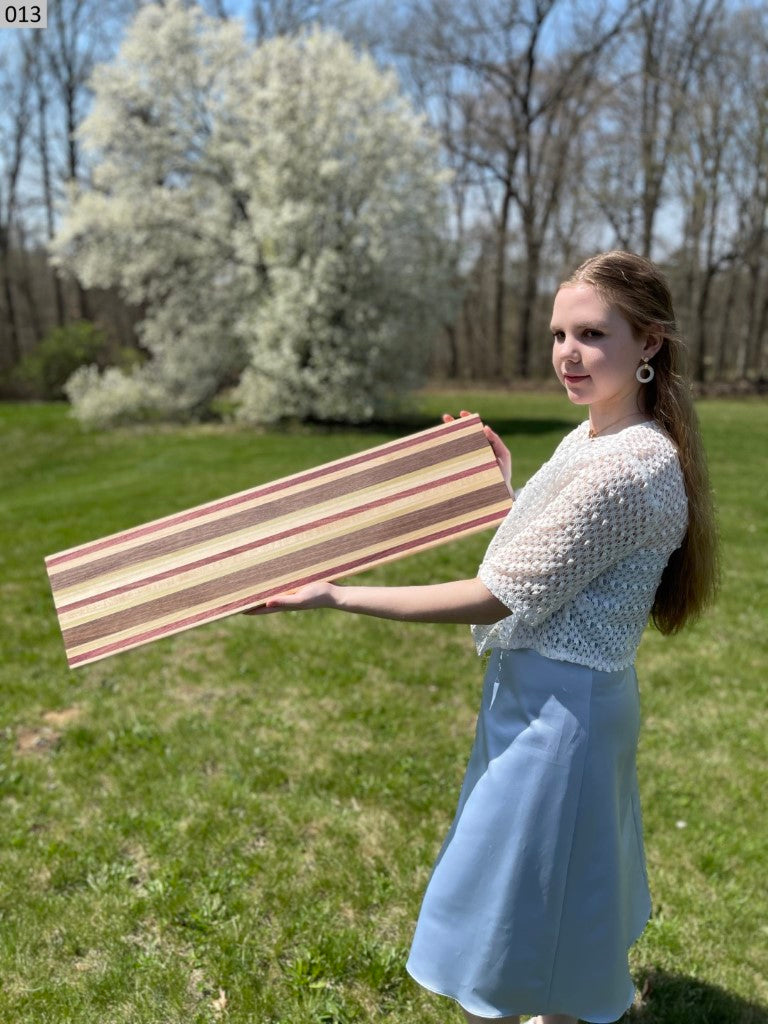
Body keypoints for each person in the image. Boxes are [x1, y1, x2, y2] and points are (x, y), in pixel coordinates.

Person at [244, 251, 719, 1024]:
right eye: (559, 332)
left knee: (530, 883)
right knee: (543, 881)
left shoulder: (630, 466)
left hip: (567, 707)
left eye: (593, 334)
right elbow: (546, 544)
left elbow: (499, 593)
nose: (568, 352)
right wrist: (502, 482)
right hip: (544, 693)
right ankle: (556, 1005)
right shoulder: (589, 440)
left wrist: (334, 593)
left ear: (650, 343)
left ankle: (549, 1007)